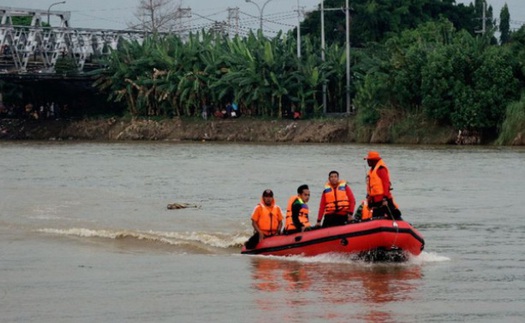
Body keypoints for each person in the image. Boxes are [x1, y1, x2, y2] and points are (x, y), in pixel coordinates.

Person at [364, 151, 402, 220]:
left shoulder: (381, 169)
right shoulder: (372, 171)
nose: (367, 162)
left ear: (374, 160)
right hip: (375, 201)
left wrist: (385, 198)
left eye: (369, 160)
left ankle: (402, 226)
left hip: (384, 199)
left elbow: (386, 184)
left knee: (395, 215)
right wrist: (369, 198)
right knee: (376, 217)